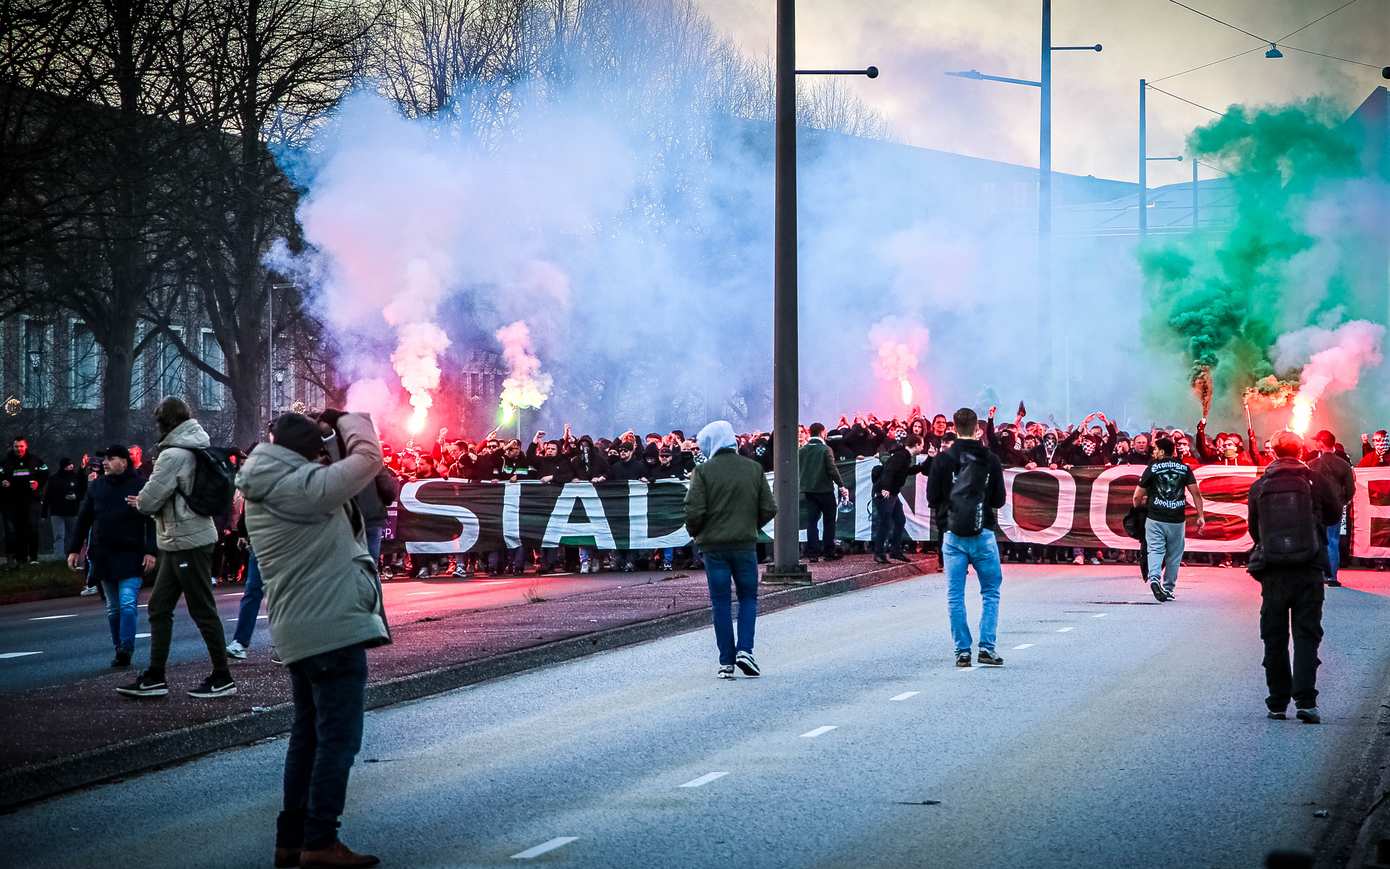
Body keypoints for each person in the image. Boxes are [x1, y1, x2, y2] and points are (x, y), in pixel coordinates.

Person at [238, 409, 390, 869]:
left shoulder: (268, 483)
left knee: (307, 737)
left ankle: (291, 839)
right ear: (307, 454)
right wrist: (350, 420)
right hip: (331, 628)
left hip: (300, 628)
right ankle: (321, 841)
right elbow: (369, 458)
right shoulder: (303, 488)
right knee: (338, 740)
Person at [119, 398, 235, 700]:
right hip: (178, 539)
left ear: (165, 423)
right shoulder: (196, 446)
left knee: (202, 608)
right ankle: (156, 675)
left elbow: (147, 500)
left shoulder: (172, 455)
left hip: (188, 540)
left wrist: (141, 502)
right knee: (159, 606)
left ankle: (222, 675)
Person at [1247, 431, 1341, 724]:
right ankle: (1305, 701)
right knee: (1306, 635)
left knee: (1274, 637)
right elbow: (1334, 514)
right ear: (1301, 451)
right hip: (1308, 567)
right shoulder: (1315, 480)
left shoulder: (1260, 484)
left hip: (1273, 570)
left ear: (1273, 452)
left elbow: (1254, 529)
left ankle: (1277, 703)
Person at [684, 420, 777, 680]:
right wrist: (750, 525)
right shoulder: (754, 469)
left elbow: (693, 511)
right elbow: (769, 507)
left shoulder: (703, 472)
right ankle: (745, 650)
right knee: (748, 598)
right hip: (745, 544)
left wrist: (698, 533)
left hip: (713, 547)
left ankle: (726, 661)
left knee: (720, 602)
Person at [927, 408, 1008, 668]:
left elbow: (931, 498)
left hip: (952, 534)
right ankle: (987, 646)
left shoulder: (942, 460)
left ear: (954, 426)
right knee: (991, 591)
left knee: (955, 595)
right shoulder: (990, 459)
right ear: (977, 428)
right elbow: (998, 499)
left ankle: (962, 650)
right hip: (982, 531)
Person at [66, 445, 156, 668]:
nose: (105, 462)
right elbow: (84, 518)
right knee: (113, 608)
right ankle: (119, 647)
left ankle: (126, 647)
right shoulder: (97, 486)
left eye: (111, 458)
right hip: (104, 554)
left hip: (131, 554)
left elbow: (152, 521)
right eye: (104, 459)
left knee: (127, 603)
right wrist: (74, 548)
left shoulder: (140, 485)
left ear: (124, 462)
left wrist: (151, 550)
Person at [1133, 436, 1206, 602]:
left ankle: (1154, 579)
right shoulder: (1184, 468)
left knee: (1155, 549)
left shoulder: (1153, 467)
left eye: (1155, 448)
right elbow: (1196, 493)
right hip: (1177, 519)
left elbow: (1137, 496)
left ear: (1161, 451)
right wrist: (1201, 516)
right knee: (1174, 555)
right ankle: (1168, 588)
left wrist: (1138, 509)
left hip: (1155, 516)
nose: (1153, 451)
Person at [1308, 430, 1355, 588]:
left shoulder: (1313, 464)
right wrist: (1343, 501)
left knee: (1317, 540)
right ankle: (1332, 577)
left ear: (1321, 443)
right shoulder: (1343, 464)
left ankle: (1318, 574)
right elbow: (1350, 488)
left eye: (1316, 441)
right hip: (1335, 507)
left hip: (1316, 507)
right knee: (1333, 541)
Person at [798, 423, 848, 562]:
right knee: (829, 522)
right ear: (822, 433)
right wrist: (841, 485)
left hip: (808, 491)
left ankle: (813, 553)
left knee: (812, 522)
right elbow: (832, 469)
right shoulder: (825, 449)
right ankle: (828, 551)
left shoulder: (801, 451)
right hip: (825, 490)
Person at [872, 434, 926, 564]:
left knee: (899, 520)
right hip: (885, 493)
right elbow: (889, 471)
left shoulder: (904, 456)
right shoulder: (901, 456)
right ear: (917, 444)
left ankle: (895, 551)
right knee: (885, 522)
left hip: (891, 494)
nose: (922, 447)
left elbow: (905, 471)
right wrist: (885, 488)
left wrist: (925, 463)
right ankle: (879, 553)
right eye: (922, 445)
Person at [1, 435, 49, 564]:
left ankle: (33, 558)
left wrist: (38, 483)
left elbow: (46, 473)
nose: (19, 449)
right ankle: (17, 558)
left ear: (26, 446)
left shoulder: (35, 460)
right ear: (13, 447)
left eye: (21, 446)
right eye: (16, 446)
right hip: (11, 501)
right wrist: (3, 481)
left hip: (31, 500)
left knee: (33, 528)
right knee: (14, 530)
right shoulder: (5, 462)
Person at [44, 457, 85, 559]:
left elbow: (83, 489)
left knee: (72, 536)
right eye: (68, 464)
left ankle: (70, 556)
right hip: (57, 512)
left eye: (71, 464)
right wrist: (44, 512)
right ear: (63, 466)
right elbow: (48, 496)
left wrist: (76, 497)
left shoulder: (76, 477)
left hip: (72, 512)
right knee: (59, 536)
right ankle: (59, 558)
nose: (71, 466)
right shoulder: (54, 478)